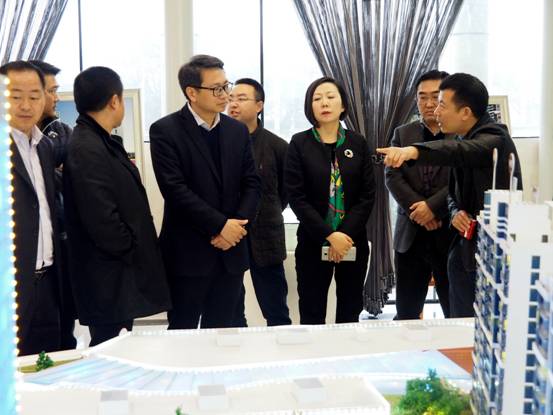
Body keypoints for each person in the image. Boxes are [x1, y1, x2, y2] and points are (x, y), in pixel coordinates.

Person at [378, 73, 523, 317]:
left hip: (486, 254)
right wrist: (455, 212)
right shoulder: (464, 137)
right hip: (461, 248)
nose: (435, 111)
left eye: (442, 104)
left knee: (471, 322)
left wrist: (413, 151)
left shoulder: (494, 137)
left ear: (465, 112)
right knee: (453, 320)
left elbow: (457, 151)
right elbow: (454, 194)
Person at [149, 55, 261, 329]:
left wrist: (236, 228)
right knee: (182, 332)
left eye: (226, 86)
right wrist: (220, 226)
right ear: (192, 92)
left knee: (223, 334)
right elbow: (175, 191)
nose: (225, 95)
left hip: (230, 253)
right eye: (216, 89)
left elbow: (252, 183)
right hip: (188, 254)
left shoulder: (236, 131)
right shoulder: (165, 131)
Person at [64, 66, 171, 346]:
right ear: (114, 100)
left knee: (119, 345)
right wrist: (131, 247)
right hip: (108, 276)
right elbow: (101, 217)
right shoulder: (87, 146)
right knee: (108, 349)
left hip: (116, 274)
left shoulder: (100, 141)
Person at [284, 77, 375, 324]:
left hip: (351, 241)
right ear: (310, 106)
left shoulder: (358, 142)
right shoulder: (299, 143)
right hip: (313, 241)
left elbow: (367, 195)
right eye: (317, 98)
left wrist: (343, 235)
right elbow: (296, 197)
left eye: (331, 97)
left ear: (343, 105)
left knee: (350, 310)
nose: (324, 103)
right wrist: (329, 235)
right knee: (311, 312)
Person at [0, 60, 61, 355]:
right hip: (8, 288)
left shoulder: (44, 147)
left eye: (34, 96)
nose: (26, 105)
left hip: (47, 283)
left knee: (47, 366)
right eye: (15, 96)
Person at [386, 70, 453, 320]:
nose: (428, 103)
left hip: (449, 231)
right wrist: (420, 209)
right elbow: (392, 176)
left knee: (455, 309)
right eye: (422, 97)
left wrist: (433, 208)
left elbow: (461, 181)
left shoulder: (461, 136)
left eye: (435, 97)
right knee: (406, 312)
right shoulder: (403, 134)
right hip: (411, 232)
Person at [228, 78, 291, 327]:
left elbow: (285, 192)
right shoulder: (219, 143)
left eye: (241, 98)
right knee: (231, 309)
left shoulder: (277, 146)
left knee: (276, 309)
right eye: (230, 98)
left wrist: (267, 211)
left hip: (267, 234)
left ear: (259, 105)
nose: (233, 104)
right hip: (229, 234)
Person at [29, 60, 76, 349]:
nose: (56, 98)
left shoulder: (60, 133)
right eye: (51, 91)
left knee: (62, 335)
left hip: (59, 247)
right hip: (24, 262)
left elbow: (70, 180)